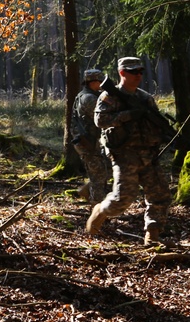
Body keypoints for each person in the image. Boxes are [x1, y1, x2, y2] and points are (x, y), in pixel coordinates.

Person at [86, 57, 173, 246]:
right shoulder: (109, 96)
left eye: (140, 72)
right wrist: (128, 116)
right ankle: (100, 210)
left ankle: (152, 236)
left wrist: (166, 136)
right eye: (133, 72)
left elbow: (156, 123)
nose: (138, 75)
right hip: (124, 155)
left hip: (149, 154)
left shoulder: (145, 98)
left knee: (160, 195)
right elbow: (100, 121)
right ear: (122, 73)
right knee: (122, 199)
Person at [72, 69, 110, 203]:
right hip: (87, 143)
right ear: (92, 82)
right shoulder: (89, 98)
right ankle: (98, 209)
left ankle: (85, 191)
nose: (102, 84)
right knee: (98, 178)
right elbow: (106, 115)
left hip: (90, 141)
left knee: (105, 171)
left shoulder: (88, 95)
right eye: (100, 81)